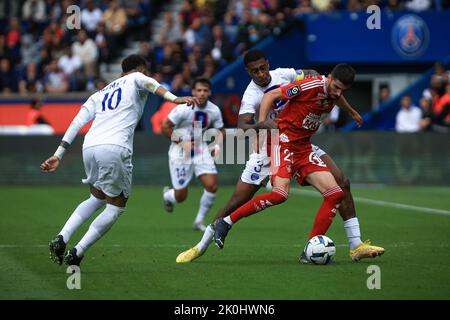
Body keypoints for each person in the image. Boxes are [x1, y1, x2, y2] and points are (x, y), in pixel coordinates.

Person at [176, 50, 384, 263]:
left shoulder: (285, 75)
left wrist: (348, 109)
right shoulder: (251, 95)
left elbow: (318, 79)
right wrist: (263, 125)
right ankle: (201, 245)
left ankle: (355, 244)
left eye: (263, 68)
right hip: (272, 144)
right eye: (254, 71)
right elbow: (243, 126)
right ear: (248, 72)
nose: (260, 74)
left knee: (341, 184)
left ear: (268, 64)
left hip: (300, 142)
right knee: (238, 201)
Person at [41, 54, 198, 267]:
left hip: (90, 146)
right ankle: (77, 252)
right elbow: (150, 83)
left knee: (97, 198)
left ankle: (62, 237)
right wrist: (174, 98)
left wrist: (59, 154)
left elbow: (77, 122)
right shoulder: (136, 78)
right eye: (145, 71)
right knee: (115, 207)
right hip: (115, 147)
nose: (146, 75)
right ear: (139, 70)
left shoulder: (99, 93)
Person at [161, 78, 225, 231]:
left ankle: (199, 221)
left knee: (212, 185)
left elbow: (220, 130)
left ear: (209, 92)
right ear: (193, 92)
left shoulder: (214, 110)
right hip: (180, 152)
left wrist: (216, 145)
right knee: (181, 196)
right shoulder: (183, 108)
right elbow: (165, 127)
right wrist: (182, 142)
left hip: (200, 149)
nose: (202, 93)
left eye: (205, 90)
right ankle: (168, 196)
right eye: (199, 90)